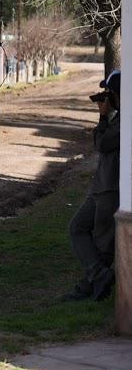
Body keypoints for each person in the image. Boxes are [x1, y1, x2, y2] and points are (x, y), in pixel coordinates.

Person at [65, 70, 121, 302]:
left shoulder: (125, 121)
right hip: (100, 186)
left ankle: (90, 287)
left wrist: (102, 116)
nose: (105, 97)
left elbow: (103, 144)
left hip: (111, 188)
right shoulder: (119, 118)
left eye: (109, 93)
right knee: (77, 228)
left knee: (103, 245)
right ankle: (98, 278)